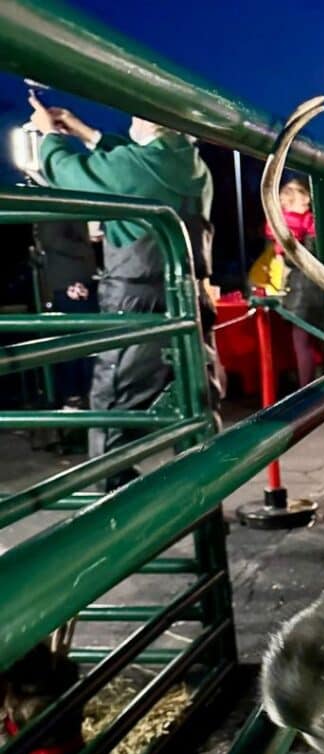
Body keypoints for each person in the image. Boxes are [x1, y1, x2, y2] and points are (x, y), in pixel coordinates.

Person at [28, 96, 217, 488]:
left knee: (113, 402)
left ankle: (112, 498)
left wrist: (49, 138)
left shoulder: (139, 166)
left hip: (135, 295)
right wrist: (84, 131)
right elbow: (131, 165)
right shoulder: (190, 164)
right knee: (193, 397)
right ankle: (202, 494)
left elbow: (71, 175)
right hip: (186, 296)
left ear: (149, 124)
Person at [264, 178, 324, 388]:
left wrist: (285, 249)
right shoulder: (310, 224)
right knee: (318, 341)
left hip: (301, 290)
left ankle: (306, 388)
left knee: (303, 342)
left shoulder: (282, 227)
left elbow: (299, 259)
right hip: (311, 288)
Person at [32, 218, 98, 406]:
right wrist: (86, 248)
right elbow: (51, 239)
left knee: (84, 337)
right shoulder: (53, 210)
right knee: (78, 338)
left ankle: (80, 394)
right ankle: (75, 394)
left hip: (76, 279)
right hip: (70, 281)